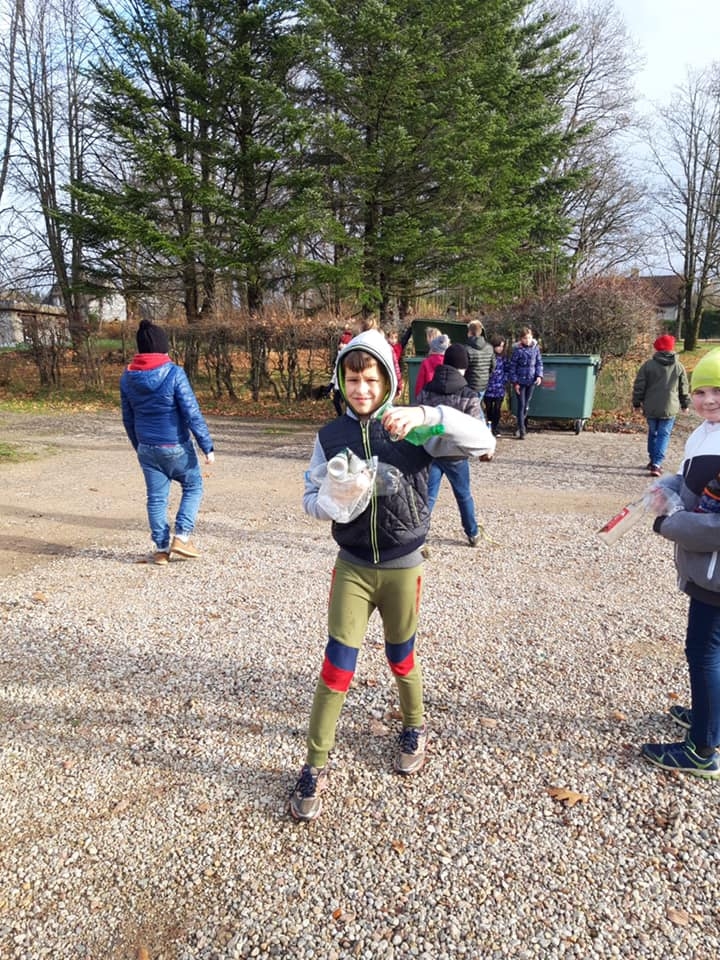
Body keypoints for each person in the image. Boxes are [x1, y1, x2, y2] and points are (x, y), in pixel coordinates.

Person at [290, 328, 495, 820]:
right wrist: (333, 502)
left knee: (402, 658)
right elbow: (309, 499)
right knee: (337, 664)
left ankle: (415, 726)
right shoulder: (331, 435)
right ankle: (314, 763)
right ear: (342, 381)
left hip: (403, 566)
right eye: (353, 378)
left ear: (388, 380)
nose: (362, 389)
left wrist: (427, 414)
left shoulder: (413, 426)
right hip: (354, 568)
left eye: (371, 378)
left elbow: (484, 441)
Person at [641, 348, 720, 779]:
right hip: (707, 568)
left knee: (704, 651)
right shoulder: (706, 432)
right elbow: (691, 478)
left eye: (718, 392)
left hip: (715, 573)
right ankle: (710, 716)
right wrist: (667, 486)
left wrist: (668, 524)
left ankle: (702, 749)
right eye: (703, 390)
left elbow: (716, 525)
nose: (708, 400)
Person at [120, 320, 215, 565]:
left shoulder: (128, 377)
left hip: (147, 447)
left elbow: (127, 418)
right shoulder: (174, 373)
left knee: (156, 498)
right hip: (176, 446)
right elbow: (191, 412)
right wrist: (207, 445)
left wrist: (139, 446)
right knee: (193, 486)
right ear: (163, 347)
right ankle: (181, 537)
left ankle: (161, 549)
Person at [416, 343, 483, 547]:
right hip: (456, 456)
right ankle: (472, 533)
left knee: (428, 497)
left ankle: (418, 537)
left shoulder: (427, 390)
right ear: (463, 367)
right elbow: (475, 429)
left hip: (430, 453)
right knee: (463, 495)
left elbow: (417, 419)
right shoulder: (469, 395)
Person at [632, 334, 690, 477]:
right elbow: (684, 386)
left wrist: (636, 403)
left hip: (651, 405)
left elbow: (639, 385)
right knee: (664, 434)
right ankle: (657, 464)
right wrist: (685, 403)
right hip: (670, 406)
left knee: (653, 433)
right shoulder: (678, 366)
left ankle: (653, 460)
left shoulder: (648, 365)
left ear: (657, 348)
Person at [509, 326, 543, 439]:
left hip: (531, 381)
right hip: (520, 381)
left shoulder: (535, 348)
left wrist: (539, 375)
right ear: (521, 339)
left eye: (529, 338)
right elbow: (512, 367)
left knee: (526, 404)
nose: (527, 340)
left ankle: (520, 426)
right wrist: (515, 382)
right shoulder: (517, 350)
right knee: (521, 404)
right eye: (525, 338)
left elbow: (539, 363)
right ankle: (522, 430)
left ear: (532, 337)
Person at [483, 334, 510, 437]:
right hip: (488, 387)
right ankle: (489, 427)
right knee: (489, 408)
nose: (500, 348)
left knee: (497, 409)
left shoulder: (503, 358)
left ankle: (495, 427)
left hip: (499, 387)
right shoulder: (488, 356)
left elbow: (507, 369)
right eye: (499, 346)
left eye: (502, 346)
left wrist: (504, 380)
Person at [465, 320, 496, 401]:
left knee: (473, 409)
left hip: (470, 385)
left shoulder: (466, 349)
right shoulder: (489, 347)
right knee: (476, 407)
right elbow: (493, 366)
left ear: (469, 332)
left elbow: (464, 368)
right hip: (483, 384)